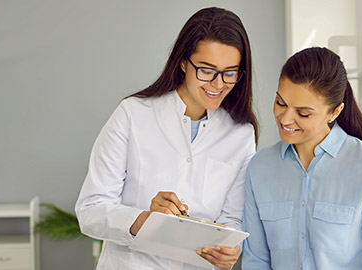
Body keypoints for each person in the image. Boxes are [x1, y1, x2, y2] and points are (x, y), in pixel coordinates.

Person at [75, 7, 258, 270]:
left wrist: (231, 251)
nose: (218, 84)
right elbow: (90, 210)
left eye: (230, 73)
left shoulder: (241, 133)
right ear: (183, 63)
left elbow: (232, 219)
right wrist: (146, 220)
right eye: (207, 70)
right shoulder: (133, 114)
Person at [242, 47, 362, 269]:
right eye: (281, 103)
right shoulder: (259, 168)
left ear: (335, 112)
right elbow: (257, 261)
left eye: (303, 113)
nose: (286, 119)